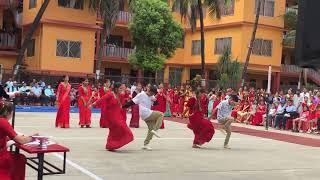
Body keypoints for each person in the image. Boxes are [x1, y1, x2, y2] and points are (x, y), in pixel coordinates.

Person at [91, 82, 134, 151]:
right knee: (121, 127)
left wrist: (127, 97)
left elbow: (124, 100)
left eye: (122, 88)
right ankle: (114, 144)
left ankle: (110, 145)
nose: (121, 90)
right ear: (116, 88)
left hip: (118, 115)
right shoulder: (110, 94)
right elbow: (102, 99)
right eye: (120, 88)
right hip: (111, 116)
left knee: (114, 131)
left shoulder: (119, 95)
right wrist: (93, 104)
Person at [0, 101, 36, 180]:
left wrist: (9, 138)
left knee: (19, 159)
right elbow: (21, 141)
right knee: (20, 159)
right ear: (9, 112)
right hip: (1, 157)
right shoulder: (3, 121)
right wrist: (33, 137)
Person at [122, 85, 163, 150]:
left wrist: (155, 100)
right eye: (151, 93)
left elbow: (155, 103)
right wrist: (122, 107)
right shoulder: (141, 95)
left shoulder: (151, 96)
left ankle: (146, 144)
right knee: (160, 114)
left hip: (147, 114)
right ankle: (156, 130)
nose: (151, 95)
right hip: (145, 112)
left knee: (151, 129)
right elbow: (132, 102)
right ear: (148, 90)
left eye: (153, 94)